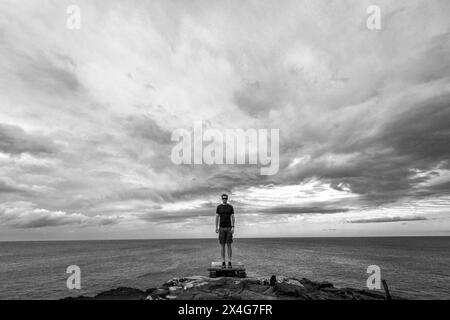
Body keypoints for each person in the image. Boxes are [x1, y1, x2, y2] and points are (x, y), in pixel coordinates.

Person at [215, 193, 235, 268]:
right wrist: (216, 227)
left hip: (229, 228)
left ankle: (229, 261)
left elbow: (233, 217)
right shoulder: (219, 207)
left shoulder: (230, 207)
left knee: (229, 245)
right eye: (223, 198)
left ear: (227, 199)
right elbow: (217, 217)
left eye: (225, 198)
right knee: (222, 245)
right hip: (221, 228)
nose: (224, 199)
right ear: (221, 199)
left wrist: (233, 227)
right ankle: (223, 261)